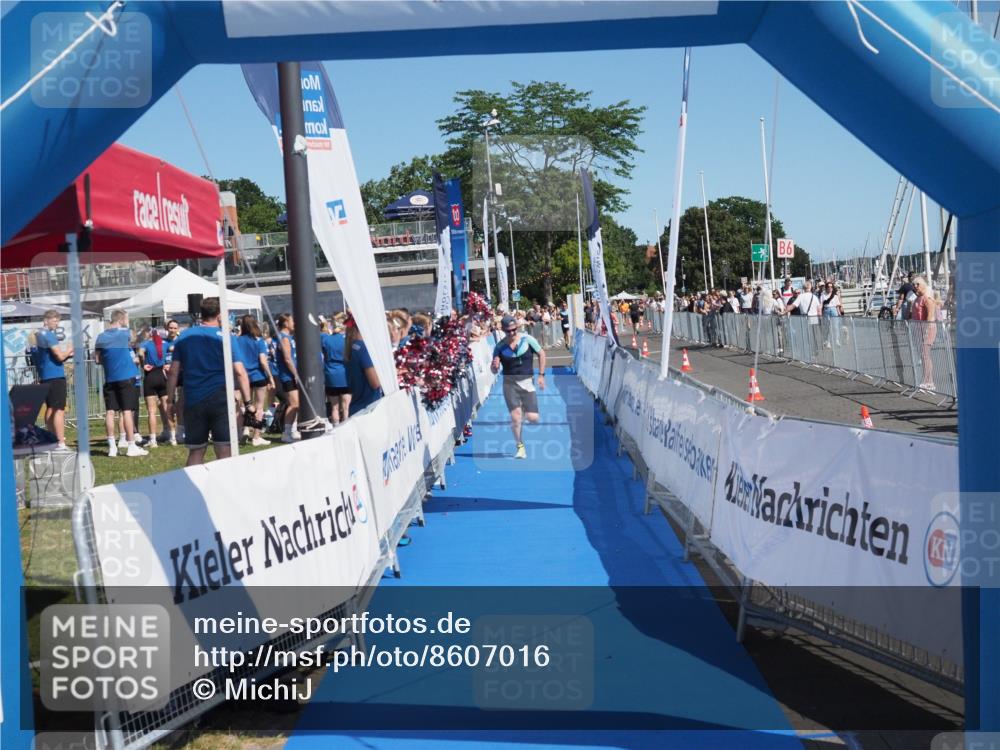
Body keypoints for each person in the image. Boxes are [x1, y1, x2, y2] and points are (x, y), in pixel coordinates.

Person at [166, 297, 252, 466]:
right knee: (224, 449)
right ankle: (225, 489)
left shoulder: (184, 336)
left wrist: (170, 401)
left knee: (196, 451)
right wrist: (248, 402)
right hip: (220, 398)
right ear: (219, 314)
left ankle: (190, 491)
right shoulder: (226, 337)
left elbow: (173, 371)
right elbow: (240, 371)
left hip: (193, 398)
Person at [491, 314, 546, 460]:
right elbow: (494, 369)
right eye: (508, 331)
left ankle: (523, 410)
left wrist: (541, 375)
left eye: (514, 329)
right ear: (502, 330)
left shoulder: (527, 340)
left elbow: (541, 353)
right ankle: (520, 447)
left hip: (527, 382)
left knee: (533, 417)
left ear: (517, 327)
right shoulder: (499, 347)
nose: (511, 333)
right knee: (516, 417)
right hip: (510, 384)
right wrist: (494, 366)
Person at [95, 309, 146, 457]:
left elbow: (98, 360)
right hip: (126, 377)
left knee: (110, 412)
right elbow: (138, 340)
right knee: (127, 411)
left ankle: (112, 447)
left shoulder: (101, 337)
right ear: (122, 319)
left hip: (110, 378)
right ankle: (131, 446)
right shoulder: (125, 333)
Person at [33, 309, 73, 449]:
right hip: (55, 376)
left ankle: (50, 439)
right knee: (59, 409)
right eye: (55, 320)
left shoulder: (35, 336)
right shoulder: (48, 335)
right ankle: (60, 442)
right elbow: (60, 356)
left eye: (58, 321)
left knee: (50, 409)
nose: (57, 324)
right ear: (46, 320)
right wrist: (69, 350)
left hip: (45, 376)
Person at [235, 315, 273, 446]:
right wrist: (270, 377)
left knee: (244, 404)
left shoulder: (237, 340)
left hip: (243, 376)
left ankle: (244, 430)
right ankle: (256, 436)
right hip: (258, 376)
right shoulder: (259, 340)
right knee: (259, 406)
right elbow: (263, 361)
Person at [138, 325, 174, 448]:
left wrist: (143, 364)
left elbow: (140, 353)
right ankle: (173, 437)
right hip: (162, 376)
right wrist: (168, 363)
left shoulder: (146, 344)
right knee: (166, 407)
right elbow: (174, 349)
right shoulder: (164, 344)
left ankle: (153, 440)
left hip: (150, 375)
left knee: (151, 411)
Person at [344, 316, 383, 416]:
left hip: (356, 407)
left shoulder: (351, 347)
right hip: (368, 409)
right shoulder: (363, 348)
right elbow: (375, 383)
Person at [274, 313, 300, 442]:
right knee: (294, 404)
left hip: (290, 375)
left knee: (296, 404)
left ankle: (293, 430)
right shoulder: (284, 338)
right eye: (292, 320)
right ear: (285, 323)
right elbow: (287, 359)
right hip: (287, 376)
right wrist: (295, 374)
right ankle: (286, 432)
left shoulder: (289, 337)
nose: (294, 323)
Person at [321, 314, 350, 425]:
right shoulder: (346, 340)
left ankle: (336, 426)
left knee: (334, 406)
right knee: (346, 406)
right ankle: (346, 425)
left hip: (330, 374)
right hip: (345, 374)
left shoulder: (326, 339)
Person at [910, 276, 937, 390]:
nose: (915, 287)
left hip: (928, 329)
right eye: (914, 285)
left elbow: (930, 315)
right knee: (923, 355)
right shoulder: (917, 299)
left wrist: (926, 330)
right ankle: (927, 380)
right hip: (918, 330)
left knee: (926, 355)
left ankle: (929, 381)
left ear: (923, 285)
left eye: (917, 284)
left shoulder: (927, 299)